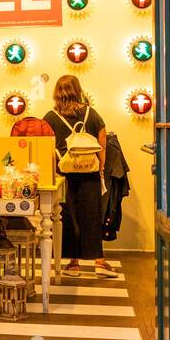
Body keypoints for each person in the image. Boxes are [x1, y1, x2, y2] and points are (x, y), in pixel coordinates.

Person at [44, 75, 119, 279]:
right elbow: (102, 144)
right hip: (90, 173)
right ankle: (99, 262)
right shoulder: (91, 114)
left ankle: (73, 264)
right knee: (92, 215)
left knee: (69, 216)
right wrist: (100, 168)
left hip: (64, 175)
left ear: (57, 92)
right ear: (78, 90)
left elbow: (46, 149)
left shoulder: (50, 117)